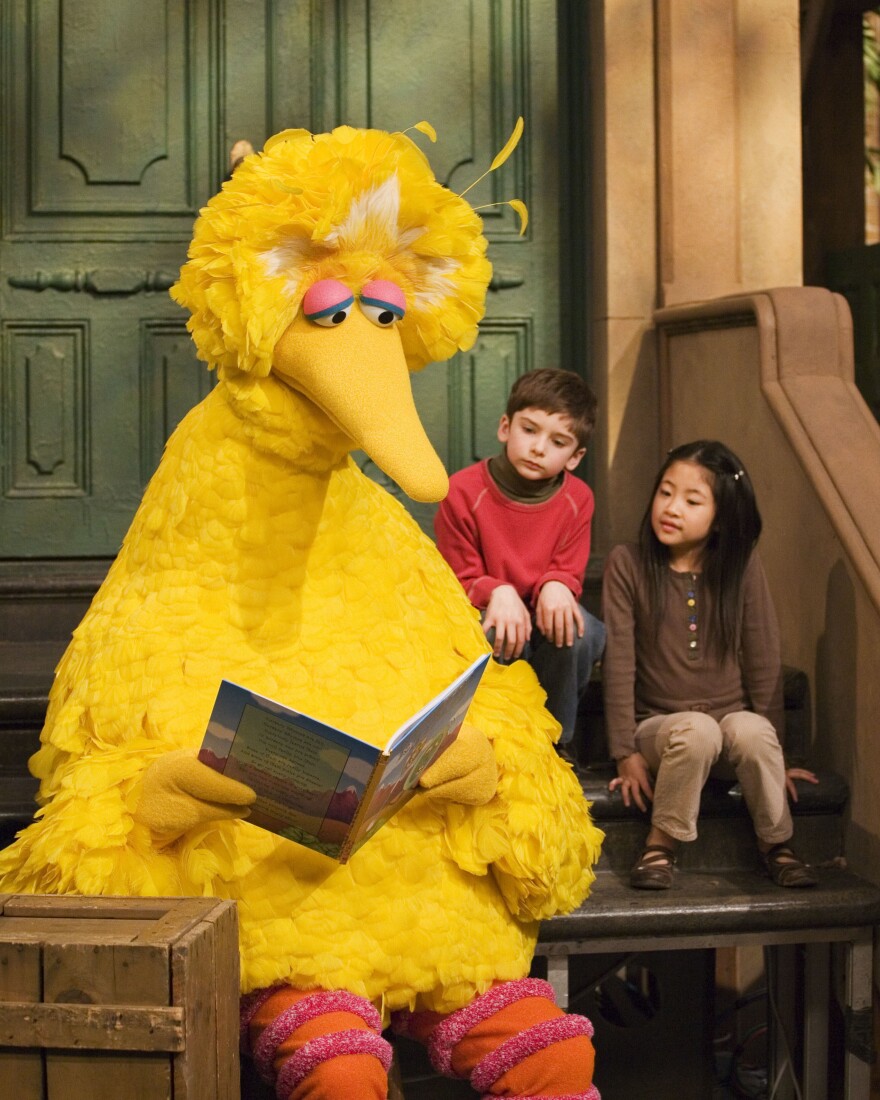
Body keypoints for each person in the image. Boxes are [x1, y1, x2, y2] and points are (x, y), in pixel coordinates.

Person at [602, 439, 819, 890]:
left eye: (692, 499)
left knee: (751, 731)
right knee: (696, 731)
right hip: (661, 730)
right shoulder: (628, 564)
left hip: (728, 730)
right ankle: (660, 845)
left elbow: (763, 657)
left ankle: (777, 844)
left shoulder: (741, 567)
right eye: (665, 492)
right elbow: (618, 661)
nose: (671, 507)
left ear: (720, 518)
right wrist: (625, 752)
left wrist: (777, 759)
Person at [435, 367, 605, 752]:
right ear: (505, 427)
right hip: (485, 616)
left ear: (575, 456)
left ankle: (552, 747)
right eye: (529, 430)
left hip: (542, 624)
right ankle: (483, 744)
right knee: (485, 634)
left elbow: (568, 570)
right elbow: (458, 577)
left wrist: (557, 583)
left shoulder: (579, 499)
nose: (538, 448)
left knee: (581, 632)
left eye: (558, 441)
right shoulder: (461, 491)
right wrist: (498, 591)